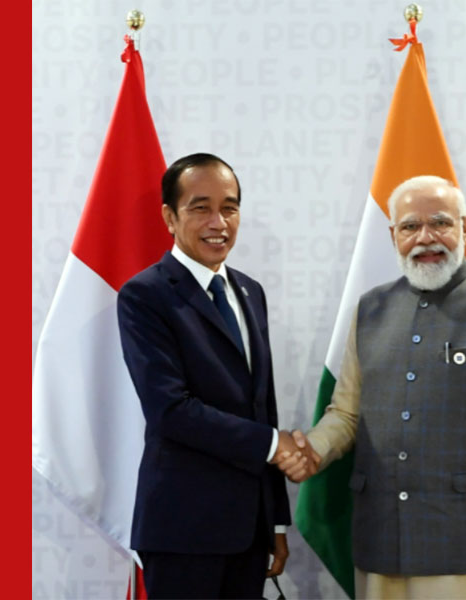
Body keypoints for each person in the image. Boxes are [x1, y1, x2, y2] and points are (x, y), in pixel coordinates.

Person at [279, 175, 466, 600]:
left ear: (465, 228)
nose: (425, 238)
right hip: (381, 547)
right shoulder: (370, 309)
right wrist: (313, 451)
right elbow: (346, 413)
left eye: (440, 223)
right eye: (410, 226)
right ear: (393, 235)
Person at [117, 153, 299, 599]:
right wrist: (274, 445)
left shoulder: (250, 291)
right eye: (201, 208)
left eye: (229, 208)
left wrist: (275, 520)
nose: (219, 222)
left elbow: (262, 405)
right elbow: (170, 410)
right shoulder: (145, 295)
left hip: (249, 530)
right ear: (170, 217)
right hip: (183, 530)